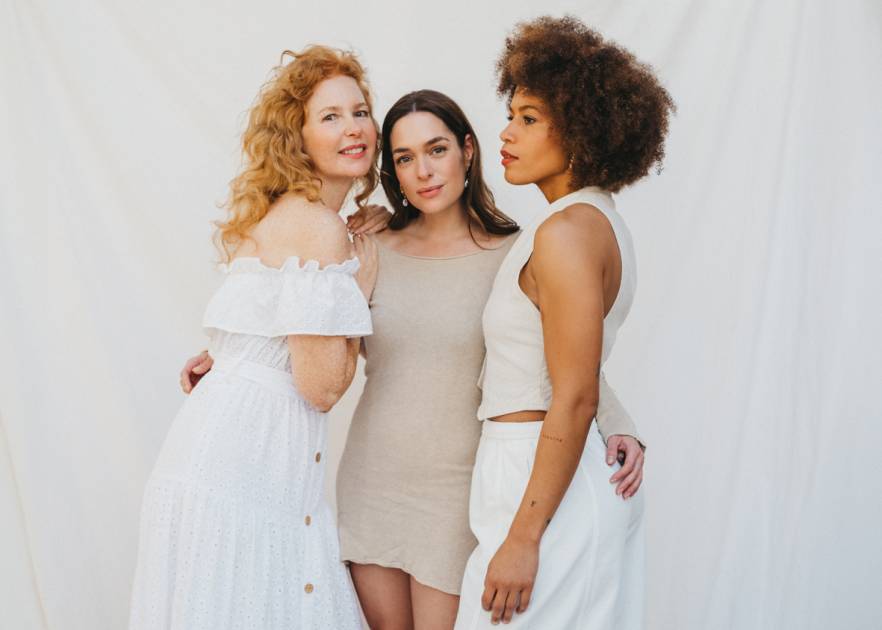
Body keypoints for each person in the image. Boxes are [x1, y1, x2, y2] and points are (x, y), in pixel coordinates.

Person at [128, 45, 382, 629]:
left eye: (360, 112)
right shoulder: (318, 227)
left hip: (210, 460)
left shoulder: (283, 215)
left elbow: (251, 336)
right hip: (247, 471)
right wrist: (359, 293)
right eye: (330, 116)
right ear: (298, 138)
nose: (353, 128)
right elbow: (321, 387)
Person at [454, 16, 674, 629]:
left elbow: (574, 395)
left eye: (529, 119)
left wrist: (524, 538)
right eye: (511, 115)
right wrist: (623, 425)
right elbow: (572, 363)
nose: (506, 132)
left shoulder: (568, 233)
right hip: (543, 473)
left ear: (581, 131)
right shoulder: (588, 223)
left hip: (543, 478)